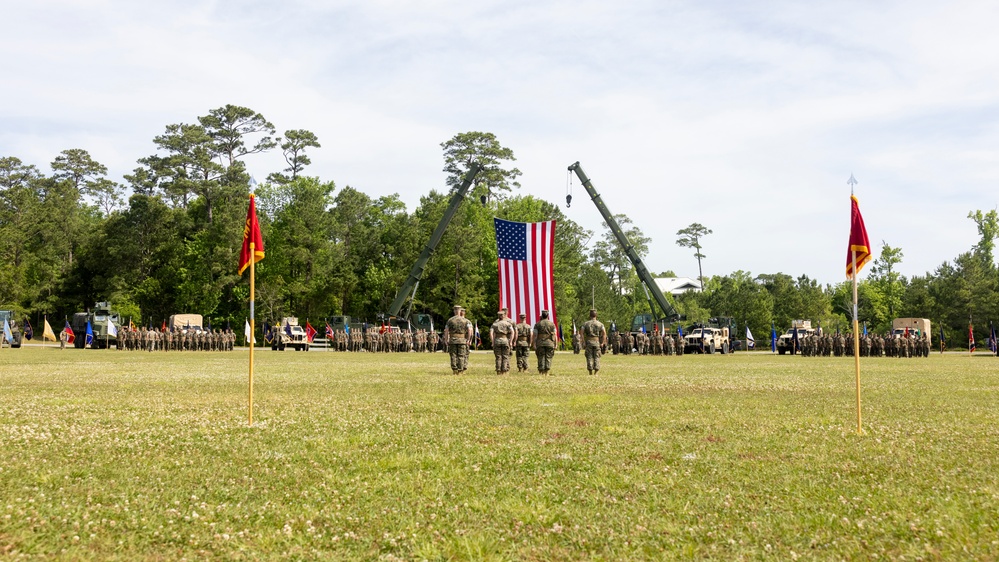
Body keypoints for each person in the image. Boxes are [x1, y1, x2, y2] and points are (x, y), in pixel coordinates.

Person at [443, 305, 472, 375]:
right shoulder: (466, 320)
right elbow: (470, 331)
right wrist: (468, 339)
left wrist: (446, 339)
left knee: (453, 355)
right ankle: (460, 370)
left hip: (453, 340)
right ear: (460, 311)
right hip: (462, 340)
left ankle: (454, 370)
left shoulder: (450, 320)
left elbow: (446, 331)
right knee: (461, 355)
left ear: (454, 311)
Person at [581, 309, 607, 375]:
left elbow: (581, 333)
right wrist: (602, 343)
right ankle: (596, 372)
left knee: (589, 356)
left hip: (589, 341)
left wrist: (583, 342)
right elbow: (604, 333)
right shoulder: (600, 324)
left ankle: (590, 371)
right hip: (596, 341)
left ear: (589, 315)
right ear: (596, 315)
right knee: (597, 356)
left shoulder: (586, 323)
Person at [532, 310, 558, 375]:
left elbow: (535, 335)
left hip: (540, 342)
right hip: (550, 342)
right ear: (547, 316)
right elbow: (555, 335)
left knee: (541, 356)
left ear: (542, 315)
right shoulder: (552, 324)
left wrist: (534, 344)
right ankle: (547, 371)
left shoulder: (537, 324)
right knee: (548, 356)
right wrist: (556, 344)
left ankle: (541, 371)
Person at [490, 308, 515, 375]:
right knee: (505, 356)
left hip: (497, 340)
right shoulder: (508, 324)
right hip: (505, 340)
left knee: (498, 356)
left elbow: (491, 333)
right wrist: (511, 341)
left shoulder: (495, 324)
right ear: (504, 315)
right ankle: (504, 371)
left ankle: (498, 370)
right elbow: (512, 332)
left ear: (498, 316)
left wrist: (492, 341)